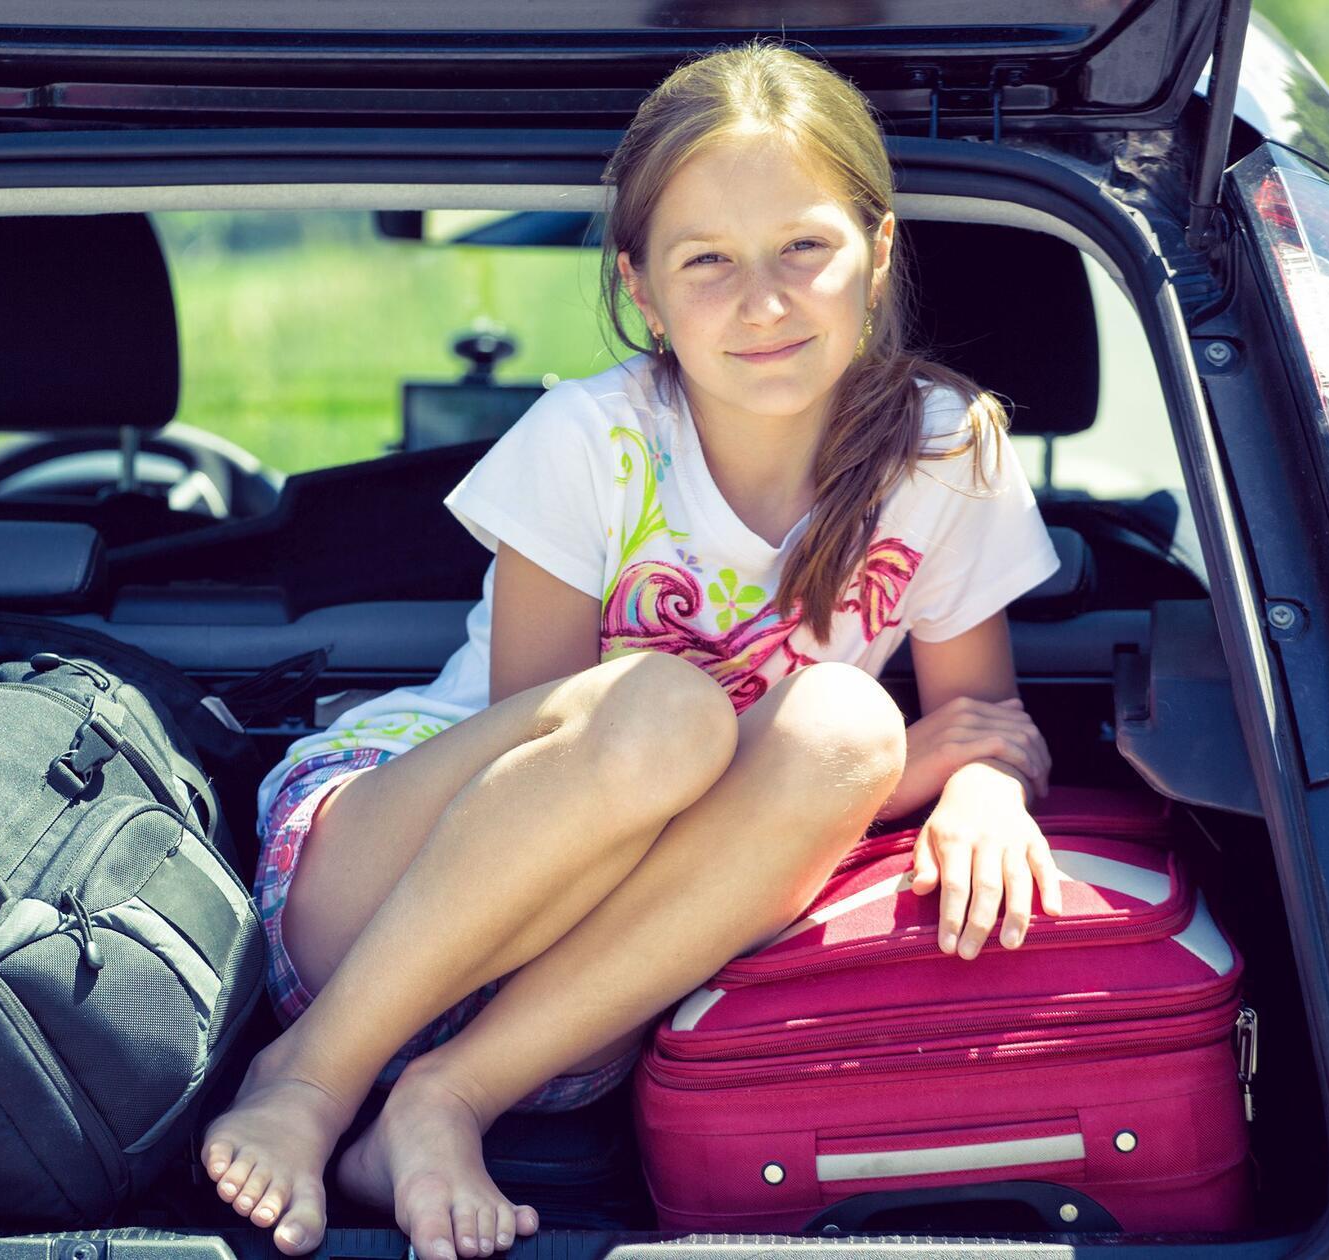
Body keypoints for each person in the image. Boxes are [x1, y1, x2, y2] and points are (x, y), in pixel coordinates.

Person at [201, 39, 1067, 1260]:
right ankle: (304, 1081)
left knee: (851, 727)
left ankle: (440, 1100)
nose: (760, 302)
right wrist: (908, 767)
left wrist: (977, 786)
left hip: (583, 1007)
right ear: (643, 291)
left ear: (875, 256)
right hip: (389, 895)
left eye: (801, 250)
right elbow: (549, 765)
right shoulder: (588, 439)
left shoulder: (945, 452)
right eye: (705, 262)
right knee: (663, 712)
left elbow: (982, 722)